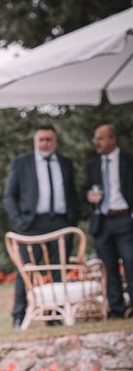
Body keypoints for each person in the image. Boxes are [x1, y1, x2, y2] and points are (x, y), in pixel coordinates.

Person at [3, 124, 79, 328]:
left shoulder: (65, 163)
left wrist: (72, 219)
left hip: (61, 223)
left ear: (55, 141)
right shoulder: (22, 163)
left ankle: (53, 315)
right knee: (26, 271)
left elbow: (72, 194)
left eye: (49, 139)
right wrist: (19, 222)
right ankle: (19, 315)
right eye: (41, 139)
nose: (45, 143)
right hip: (31, 225)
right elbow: (10, 196)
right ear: (35, 141)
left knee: (58, 271)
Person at [85, 124, 133, 318]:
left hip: (125, 218)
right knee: (108, 267)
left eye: (101, 138)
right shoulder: (93, 165)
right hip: (102, 221)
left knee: (130, 261)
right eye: (96, 138)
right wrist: (89, 197)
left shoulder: (129, 160)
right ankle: (117, 310)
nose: (97, 142)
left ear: (113, 139)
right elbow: (85, 190)